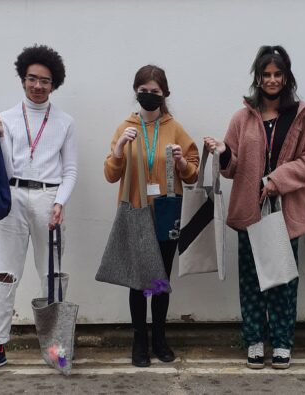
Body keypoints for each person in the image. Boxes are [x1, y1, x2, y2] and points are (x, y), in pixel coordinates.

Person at [204, 45, 305, 370]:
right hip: (251, 211)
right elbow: (231, 168)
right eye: (266, 74)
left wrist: (276, 178)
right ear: (258, 77)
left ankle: (283, 343)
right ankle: (255, 340)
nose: (272, 80)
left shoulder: (301, 116)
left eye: (277, 74)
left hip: (287, 213)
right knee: (252, 280)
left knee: (284, 281)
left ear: (286, 77)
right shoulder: (242, 117)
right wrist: (223, 152)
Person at [0, 44, 78, 375]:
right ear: (22, 79)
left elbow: (70, 169)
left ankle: (56, 345)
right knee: (4, 274)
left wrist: (60, 202)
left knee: (52, 276)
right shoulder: (3, 118)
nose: (37, 85)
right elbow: (2, 167)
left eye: (44, 80)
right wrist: (0, 136)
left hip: (49, 198)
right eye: (32, 78)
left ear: (54, 83)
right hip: (14, 198)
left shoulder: (64, 122)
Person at [104, 65, 199, 368]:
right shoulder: (125, 127)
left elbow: (193, 172)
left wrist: (182, 162)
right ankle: (139, 340)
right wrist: (119, 148)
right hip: (135, 210)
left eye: (155, 92)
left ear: (164, 94)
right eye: (143, 91)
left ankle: (159, 337)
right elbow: (110, 173)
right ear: (136, 92)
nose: (148, 96)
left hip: (167, 211)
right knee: (137, 280)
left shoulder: (174, 128)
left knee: (159, 278)